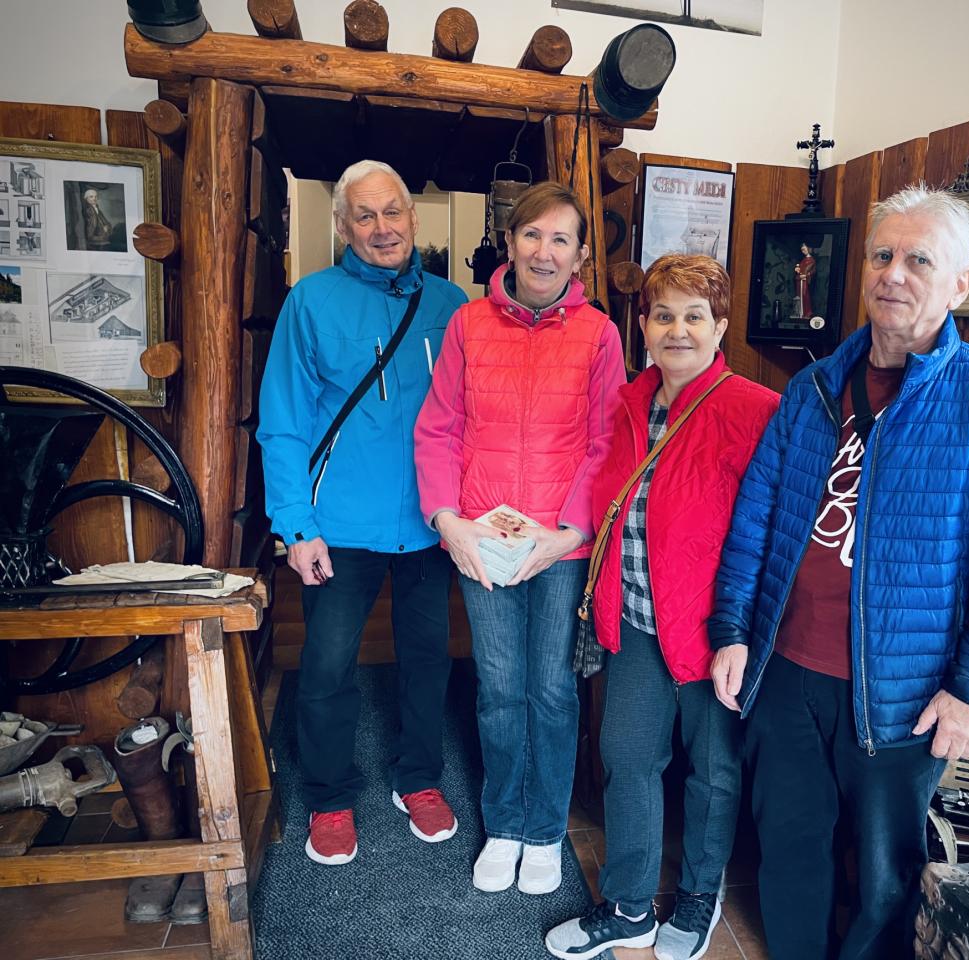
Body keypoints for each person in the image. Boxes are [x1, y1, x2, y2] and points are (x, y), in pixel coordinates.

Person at [708, 184, 969, 959]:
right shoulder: (812, 388)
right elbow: (756, 518)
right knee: (789, 853)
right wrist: (732, 628)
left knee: (884, 883)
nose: (893, 273)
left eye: (918, 260)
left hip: (906, 691)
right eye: (882, 255)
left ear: (958, 284)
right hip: (786, 672)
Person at [544, 256, 779, 960]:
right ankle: (628, 907)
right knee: (627, 757)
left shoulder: (757, 411)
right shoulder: (625, 404)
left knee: (713, 769)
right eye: (664, 315)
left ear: (721, 326)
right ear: (642, 325)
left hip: (716, 631)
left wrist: (745, 629)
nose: (678, 330)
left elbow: (773, 532)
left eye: (695, 316)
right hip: (637, 621)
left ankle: (701, 896)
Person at [415, 181, 626, 896]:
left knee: (553, 691)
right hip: (483, 538)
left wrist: (567, 532)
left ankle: (544, 830)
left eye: (560, 239)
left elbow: (605, 443)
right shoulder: (469, 324)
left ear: (580, 256)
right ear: (509, 243)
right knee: (500, 690)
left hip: (560, 546)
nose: (544, 251)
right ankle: (504, 823)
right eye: (532, 235)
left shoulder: (600, 334)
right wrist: (448, 522)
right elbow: (438, 429)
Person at [259, 159, 468, 866]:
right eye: (365, 216)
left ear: (413, 216)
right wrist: (296, 525)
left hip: (429, 522)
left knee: (428, 660)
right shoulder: (310, 301)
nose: (382, 228)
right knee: (326, 665)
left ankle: (419, 778)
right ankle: (329, 795)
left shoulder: (452, 304)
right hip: (338, 526)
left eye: (393, 212)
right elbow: (283, 422)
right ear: (344, 226)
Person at [793, 242, 816, 318]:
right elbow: (801, 268)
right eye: (802, 250)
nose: (803, 251)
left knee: (805, 295)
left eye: (804, 249)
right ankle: (799, 312)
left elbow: (813, 271)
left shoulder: (812, 260)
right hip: (800, 280)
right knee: (799, 295)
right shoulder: (803, 259)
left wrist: (806, 275)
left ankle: (806, 312)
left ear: (808, 249)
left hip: (805, 281)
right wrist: (797, 269)